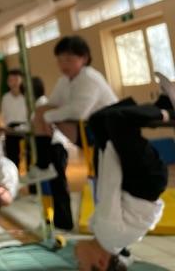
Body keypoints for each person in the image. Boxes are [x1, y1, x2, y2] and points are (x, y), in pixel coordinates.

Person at [74, 89, 173, 271]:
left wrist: (106, 146)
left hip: (138, 182)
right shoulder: (108, 234)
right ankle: (168, 112)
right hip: (144, 179)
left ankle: (164, 104)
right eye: (81, 264)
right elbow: (110, 186)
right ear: (101, 262)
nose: (76, 260)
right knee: (117, 121)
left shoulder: (111, 242)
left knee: (97, 121)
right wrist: (110, 148)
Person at [30, 36, 118, 231]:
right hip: (86, 130)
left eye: (69, 59)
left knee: (45, 114)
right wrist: (45, 116)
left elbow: (79, 111)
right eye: (60, 60)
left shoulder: (90, 77)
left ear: (84, 58)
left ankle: (44, 163)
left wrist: (48, 117)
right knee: (41, 111)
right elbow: (51, 105)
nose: (63, 65)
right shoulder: (64, 81)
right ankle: (43, 164)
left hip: (107, 132)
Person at [1, 69, 27, 168]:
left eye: (16, 79)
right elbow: (5, 116)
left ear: (21, 80)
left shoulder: (26, 96)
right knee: (12, 157)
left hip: (25, 128)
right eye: (10, 80)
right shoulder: (5, 98)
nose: (14, 83)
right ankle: (14, 172)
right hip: (11, 129)